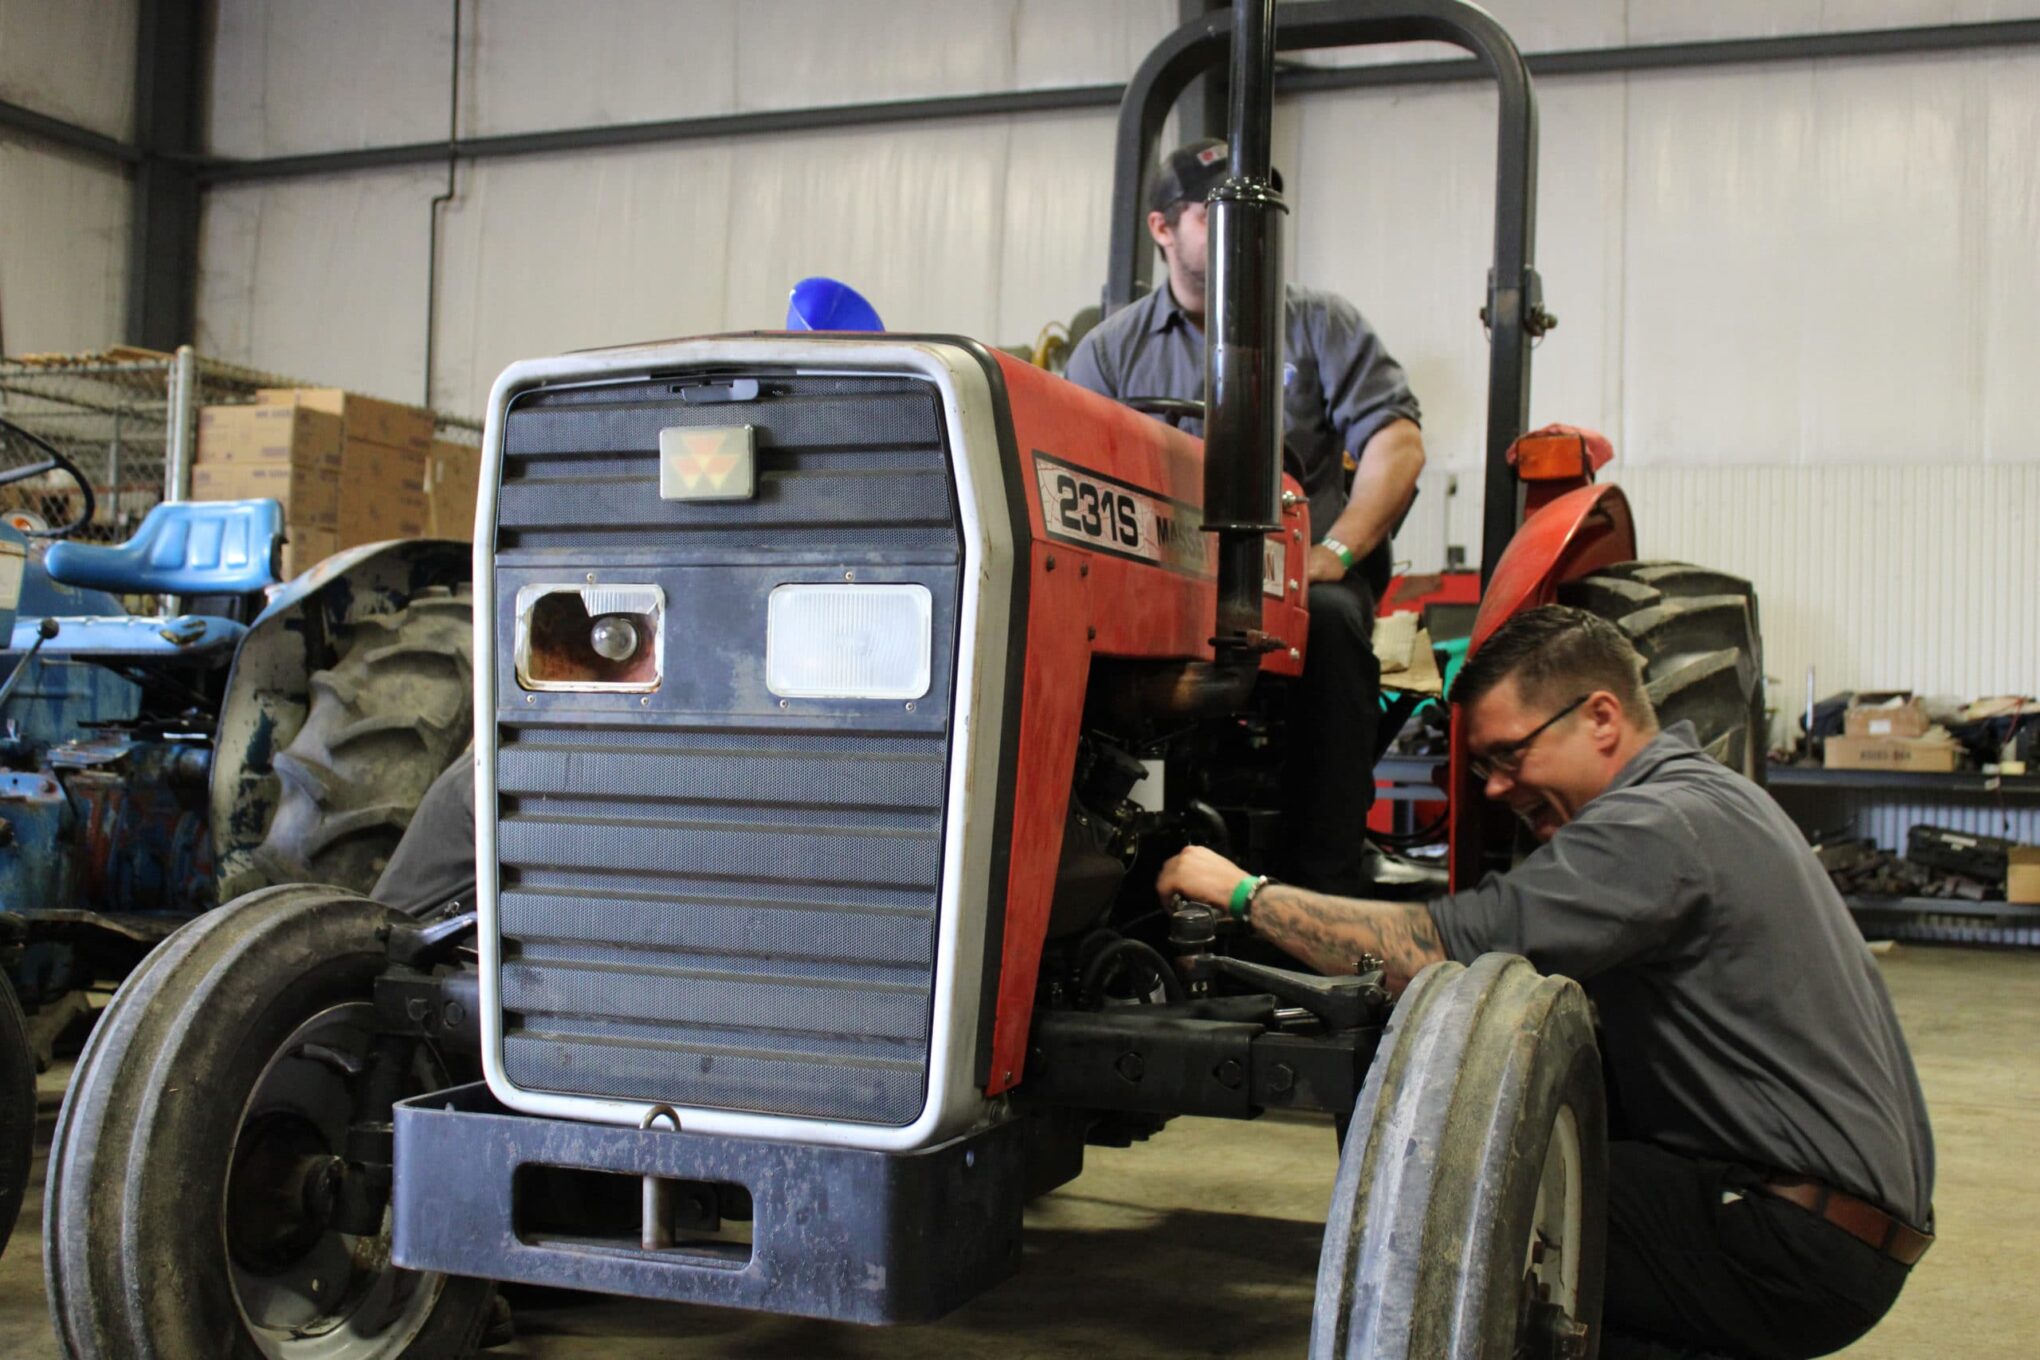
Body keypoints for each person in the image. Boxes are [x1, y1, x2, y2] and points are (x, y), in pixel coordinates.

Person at [1156, 605, 1934, 1360]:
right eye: (1483, 766)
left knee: (1443, 1200)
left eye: (1508, 755)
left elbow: (1432, 953)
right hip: (1826, 1226)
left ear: (1600, 718)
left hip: (1795, 1243)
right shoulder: (1711, 798)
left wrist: (1241, 892)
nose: (1495, 788)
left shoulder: (1653, 828)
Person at [1065, 137, 1426, 900]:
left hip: (1292, 578)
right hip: (1157, 580)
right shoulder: (1109, 353)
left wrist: (1333, 548)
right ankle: (1088, 858)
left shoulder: (1320, 324)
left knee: (1329, 621)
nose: (1243, 235)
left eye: (1255, 216)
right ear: (1163, 228)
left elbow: (1395, 442)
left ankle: (1322, 886)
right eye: (1214, 213)